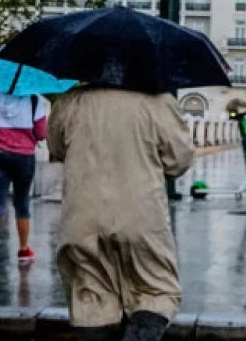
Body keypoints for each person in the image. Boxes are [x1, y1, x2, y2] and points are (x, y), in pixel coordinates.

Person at [48, 87, 194, 341]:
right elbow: (178, 160)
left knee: (91, 296)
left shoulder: (70, 102)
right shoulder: (158, 102)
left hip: (82, 215)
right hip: (140, 215)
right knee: (154, 290)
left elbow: (57, 148)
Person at [0, 91, 47, 271]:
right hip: (24, 157)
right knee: (21, 203)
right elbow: (41, 133)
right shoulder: (35, 99)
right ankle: (24, 250)